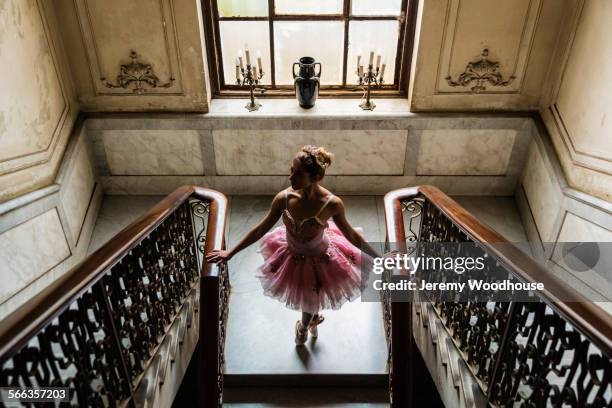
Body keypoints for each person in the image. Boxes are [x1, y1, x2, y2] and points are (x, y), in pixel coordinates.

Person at [206, 145, 381, 346]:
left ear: (314, 178)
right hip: (292, 256)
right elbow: (260, 229)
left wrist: (381, 258)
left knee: (312, 298)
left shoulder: (332, 204)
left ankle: (304, 327)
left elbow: (352, 235)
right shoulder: (284, 198)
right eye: (291, 170)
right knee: (311, 298)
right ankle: (310, 321)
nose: (290, 178)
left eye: (297, 174)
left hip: (322, 257)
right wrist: (230, 252)